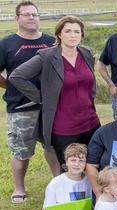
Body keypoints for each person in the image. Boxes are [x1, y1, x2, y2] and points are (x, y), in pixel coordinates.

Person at [11, 15, 100, 167]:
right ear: (59, 34)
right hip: (64, 125)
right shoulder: (47, 56)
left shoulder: (86, 53)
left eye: (77, 32)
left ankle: (93, 191)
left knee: (94, 164)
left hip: (91, 121)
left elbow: (89, 82)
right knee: (70, 168)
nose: (73, 35)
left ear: (82, 34)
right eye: (68, 31)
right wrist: (42, 97)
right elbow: (17, 76)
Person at [0, 0, 59, 202]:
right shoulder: (6, 44)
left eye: (35, 14)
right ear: (17, 18)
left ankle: (58, 183)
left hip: (51, 106)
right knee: (22, 150)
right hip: (21, 107)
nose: (32, 18)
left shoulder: (52, 41)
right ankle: (19, 189)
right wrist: (10, 86)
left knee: (52, 147)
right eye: (27, 14)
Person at [9, 144, 93, 210]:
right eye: (73, 160)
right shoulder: (56, 183)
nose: (77, 164)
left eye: (81, 160)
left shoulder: (89, 181)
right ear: (66, 162)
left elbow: (91, 205)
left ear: (86, 162)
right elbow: (46, 209)